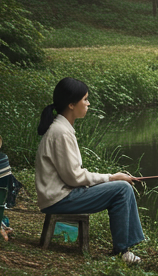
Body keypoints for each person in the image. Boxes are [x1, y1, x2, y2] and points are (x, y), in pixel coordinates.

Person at [35, 77, 145, 263]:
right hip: (60, 199)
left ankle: (124, 248)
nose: (88, 103)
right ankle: (123, 251)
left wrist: (111, 178)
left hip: (61, 195)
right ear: (71, 104)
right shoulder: (61, 132)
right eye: (85, 99)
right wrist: (111, 177)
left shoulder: (62, 129)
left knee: (122, 187)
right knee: (122, 189)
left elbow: (72, 176)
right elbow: (74, 177)